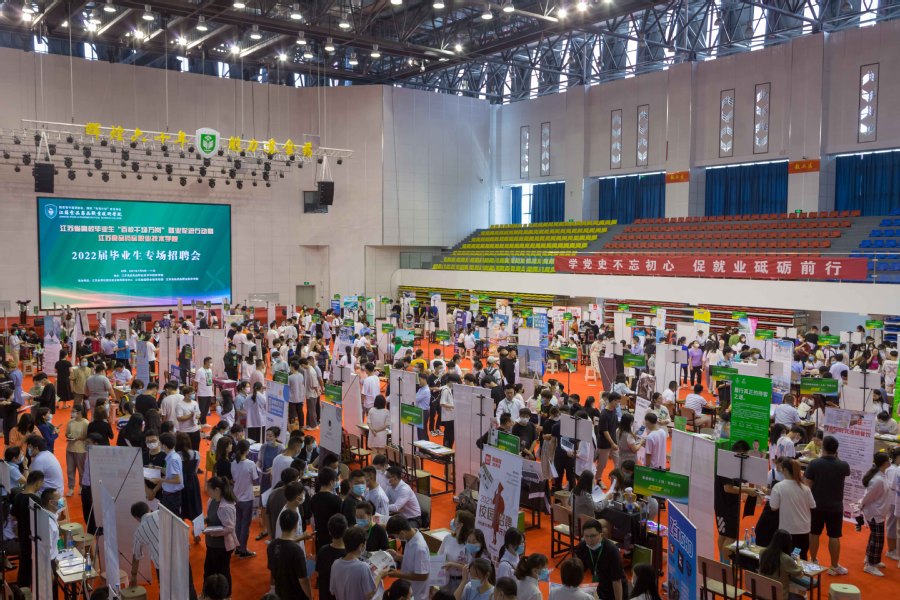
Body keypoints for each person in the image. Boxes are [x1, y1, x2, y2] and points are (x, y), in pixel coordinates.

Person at [804, 435, 851, 575]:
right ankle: (834, 565)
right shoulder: (843, 465)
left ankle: (813, 560)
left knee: (814, 533)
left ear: (823, 447)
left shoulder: (814, 464)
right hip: (836, 506)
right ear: (836, 449)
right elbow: (844, 470)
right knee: (834, 536)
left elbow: (807, 485)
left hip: (816, 505)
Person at [769, 457, 816, 559]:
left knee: (786, 557)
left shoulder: (779, 486)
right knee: (801, 556)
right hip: (804, 528)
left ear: (785, 470)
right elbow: (813, 505)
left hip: (788, 529)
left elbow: (773, 507)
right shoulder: (805, 487)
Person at [573, 519, 627, 600]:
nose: (589, 540)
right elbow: (579, 569)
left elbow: (616, 581)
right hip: (599, 586)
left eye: (593, 536)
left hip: (616, 589)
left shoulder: (612, 550)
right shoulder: (583, 546)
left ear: (601, 534)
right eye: (586, 536)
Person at [330, 525, 387, 600]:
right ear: (362, 546)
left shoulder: (335, 564)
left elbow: (332, 591)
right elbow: (369, 595)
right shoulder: (363, 567)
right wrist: (379, 575)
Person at [202, 476, 238, 594]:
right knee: (208, 570)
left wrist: (213, 532)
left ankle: (226, 595)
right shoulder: (211, 501)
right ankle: (208, 593)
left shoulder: (226, 506)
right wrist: (204, 520)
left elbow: (230, 528)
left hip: (222, 547)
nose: (207, 491)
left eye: (209, 489)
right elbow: (211, 516)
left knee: (223, 573)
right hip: (211, 544)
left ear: (217, 490)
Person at [268, 509, 313, 599]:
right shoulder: (296, 550)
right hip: (295, 595)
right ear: (296, 525)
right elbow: (303, 580)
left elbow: (272, 570)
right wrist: (310, 597)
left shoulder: (272, 545)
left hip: (280, 592)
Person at [859, 452, 891, 576]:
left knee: (875, 538)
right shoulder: (877, 479)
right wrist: (861, 505)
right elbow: (868, 496)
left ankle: (872, 559)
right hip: (875, 512)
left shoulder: (881, 475)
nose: (890, 461)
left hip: (879, 511)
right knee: (877, 540)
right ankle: (870, 565)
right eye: (888, 460)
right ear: (884, 463)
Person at [386, 515, 431, 600]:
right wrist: (397, 556)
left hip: (417, 593)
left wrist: (398, 574)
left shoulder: (419, 548)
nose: (396, 538)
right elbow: (413, 560)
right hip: (408, 588)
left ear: (402, 533)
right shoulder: (410, 538)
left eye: (395, 536)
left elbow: (423, 575)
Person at [13, 470, 43, 587]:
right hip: (34, 538)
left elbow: (14, 516)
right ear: (37, 483)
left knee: (24, 564)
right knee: (31, 567)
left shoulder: (18, 496)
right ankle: (26, 588)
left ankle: (22, 588)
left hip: (22, 536)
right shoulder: (35, 500)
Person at [758, 529, 806, 600]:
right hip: (779, 596)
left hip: (762, 592)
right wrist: (798, 561)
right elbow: (800, 575)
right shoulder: (786, 559)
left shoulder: (762, 552)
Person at [231, 438, 259, 558]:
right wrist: (257, 497)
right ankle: (243, 550)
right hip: (247, 499)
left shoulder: (233, 463)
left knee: (238, 524)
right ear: (247, 450)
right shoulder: (250, 464)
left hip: (236, 497)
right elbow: (256, 481)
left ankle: (237, 548)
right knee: (245, 526)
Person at [129, 502, 162, 588]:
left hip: (161, 564)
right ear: (148, 509)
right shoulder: (160, 513)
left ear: (136, 517)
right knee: (187, 586)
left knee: (165, 591)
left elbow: (136, 556)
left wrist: (133, 576)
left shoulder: (139, 532)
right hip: (179, 554)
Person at [310, 467, 343, 549]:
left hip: (319, 537)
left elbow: (312, 520)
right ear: (331, 482)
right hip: (334, 538)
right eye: (335, 480)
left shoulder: (313, 498)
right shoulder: (336, 499)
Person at [317, 514, 349, 600]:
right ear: (346, 530)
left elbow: (318, 573)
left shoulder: (322, 551)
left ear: (329, 531)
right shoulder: (348, 554)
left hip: (324, 595)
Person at [156, 432, 184, 515]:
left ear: (164, 446)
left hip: (172, 496)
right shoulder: (174, 456)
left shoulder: (172, 459)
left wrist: (161, 480)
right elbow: (171, 473)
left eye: (160, 443)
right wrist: (160, 469)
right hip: (171, 494)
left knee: (171, 517)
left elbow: (177, 480)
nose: (159, 445)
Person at [596, 393, 620, 486]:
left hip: (613, 442)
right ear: (613, 401)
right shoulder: (604, 414)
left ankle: (615, 479)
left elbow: (615, 426)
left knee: (618, 462)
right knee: (602, 464)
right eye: (617, 401)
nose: (618, 404)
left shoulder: (614, 411)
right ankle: (598, 479)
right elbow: (605, 431)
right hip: (604, 443)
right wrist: (612, 443)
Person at [195, 356, 215, 425]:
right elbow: (196, 382)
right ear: (206, 362)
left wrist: (212, 391)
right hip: (202, 393)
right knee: (201, 409)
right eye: (210, 362)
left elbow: (210, 381)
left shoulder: (210, 370)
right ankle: (199, 423)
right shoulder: (200, 371)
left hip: (209, 392)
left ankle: (204, 422)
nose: (211, 364)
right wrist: (195, 390)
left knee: (206, 409)